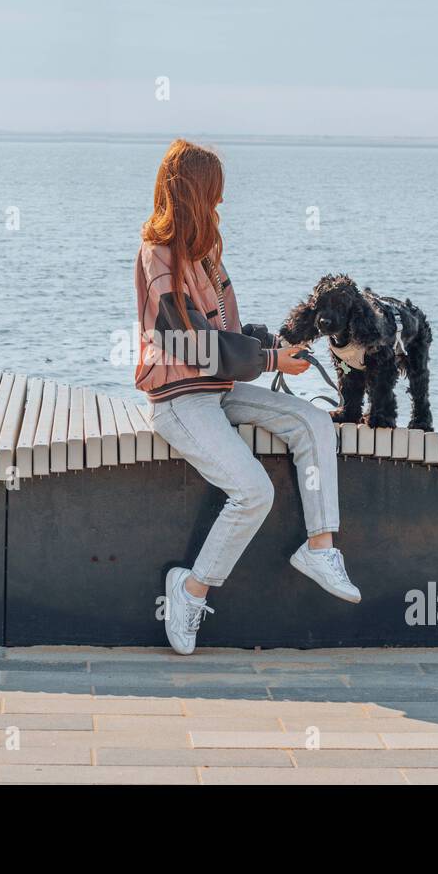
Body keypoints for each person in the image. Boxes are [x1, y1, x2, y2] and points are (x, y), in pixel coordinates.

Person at [134, 138, 360, 656]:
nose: (221, 202)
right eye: (214, 191)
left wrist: (275, 345)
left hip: (219, 389)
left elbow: (226, 330)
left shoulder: (208, 249)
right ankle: (190, 591)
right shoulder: (158, 256)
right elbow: (185, 343)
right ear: (192, 191)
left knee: (313, 423)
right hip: (178, 400)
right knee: (253, 492)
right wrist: (270, 362)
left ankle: (321, 547)